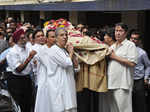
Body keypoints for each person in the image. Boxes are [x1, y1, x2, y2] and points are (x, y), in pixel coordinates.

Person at [34, 27, 77, 112]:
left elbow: (71, 67)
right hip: (59, 85)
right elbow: (66, 63)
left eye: (66, 35)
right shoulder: (54, 50)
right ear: (56, 38)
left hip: (68, 84)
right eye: (62, 35)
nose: (65, 37)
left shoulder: (63, 50)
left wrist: (75, 61)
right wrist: (71, 53)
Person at [107, 23, 138, 112]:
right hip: (111, 82)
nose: (118, 33)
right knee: (113, 109)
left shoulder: (130, 45)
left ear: (126, 33)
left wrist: (115, 57)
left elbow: (132, 63)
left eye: (120, 31)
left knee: (124, 109)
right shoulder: (112, 46)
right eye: (116, 31)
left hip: (123, 84)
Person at [6, 28, 36, 112]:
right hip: (16, 81)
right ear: (16, 40)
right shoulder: (13, 51)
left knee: (28, 103)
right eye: (21, 38)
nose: (24, 40)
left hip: (26, 79)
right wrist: (29, 58)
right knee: (20, 105)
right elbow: (19, 69)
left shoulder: (27, 48)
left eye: (24, 38)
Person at [129, 29, 150, 112]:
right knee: (129, 103)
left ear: (139, 41)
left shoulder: (142, 53)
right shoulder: (126, 50)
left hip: (138, 81)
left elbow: (148, 66)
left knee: (139, 103)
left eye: (135, 39)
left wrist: (146, 77)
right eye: (131, 38)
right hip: (128, 79)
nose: (133, 40)